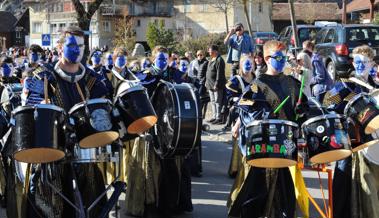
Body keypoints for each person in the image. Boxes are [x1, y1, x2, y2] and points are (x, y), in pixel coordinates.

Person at [21, 26, 112, 217]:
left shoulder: (92, 79)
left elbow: (102, 114)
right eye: (72, 45)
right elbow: (32, 112)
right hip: (52, 153)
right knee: (45, 199)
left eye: (80, 45)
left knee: (92, 198)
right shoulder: (44, 76)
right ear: (60, 47)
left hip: (85, 152)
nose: (77, 50)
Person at [228, 40, 308, 218]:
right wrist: (265, 115)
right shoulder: (257, 84)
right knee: (255, 194)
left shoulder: (293, 83)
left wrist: (302, 111)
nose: (281, 60)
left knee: (284, 193)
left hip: (286, 147)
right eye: (278, 57)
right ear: (266, 58)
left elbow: (304, 110)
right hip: (263, 147)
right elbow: (245, 110)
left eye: (284, 57)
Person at [125, 45, 193, 217]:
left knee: (174, 167)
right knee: (151, 168)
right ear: (154, 59)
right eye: (160, 58)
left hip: (171, 128)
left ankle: (174, 204)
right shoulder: (146, 76)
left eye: (166, 58)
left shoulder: (175, 74)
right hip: (151, 127)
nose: (163, 61)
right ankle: (149, 205)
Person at [322, 45, 379, 218]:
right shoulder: (345, 84)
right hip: (350, 143)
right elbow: (326, 103)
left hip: (372, 145)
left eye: (365, 62)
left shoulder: (374, 87)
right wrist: (341, 108)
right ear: (353, 63)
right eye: (357, 61)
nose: (360, 65)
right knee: (344, 186)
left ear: (372, 64)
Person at [225, 55, 255, 178]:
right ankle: (236, 168)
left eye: (250, 64)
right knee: (239, 140)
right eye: (246, 64)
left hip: (253, 114)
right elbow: (228, 97)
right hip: (239, 113)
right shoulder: (236, 80)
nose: (248, 66)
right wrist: (235, 99)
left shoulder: (256, 79)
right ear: (241, 66)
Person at [206, 45, 226, 124]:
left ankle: (219, 117)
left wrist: (216, 84)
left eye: (211, 51)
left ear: (216, 51)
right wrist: (206, 82)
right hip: (210, 84)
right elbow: (208, 71)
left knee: (218, 101)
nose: (209, 53)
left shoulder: (219, 60)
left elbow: (219, 73)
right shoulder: (211, 59)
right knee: (213, 101)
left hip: (216, 85)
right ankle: (214, 116)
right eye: (209, 51)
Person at [192, 50, 209, 117]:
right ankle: (199, 113)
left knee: (201, 98)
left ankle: (201, 113)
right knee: (199, 98)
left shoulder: (206, 62)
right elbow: (194, 71)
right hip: (197, 82)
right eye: (198, 55)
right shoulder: (196, 62)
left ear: (203, 55)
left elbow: (208, 73)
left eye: (201, 55)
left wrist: (205, 81)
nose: (199, 56)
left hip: (203, 82)